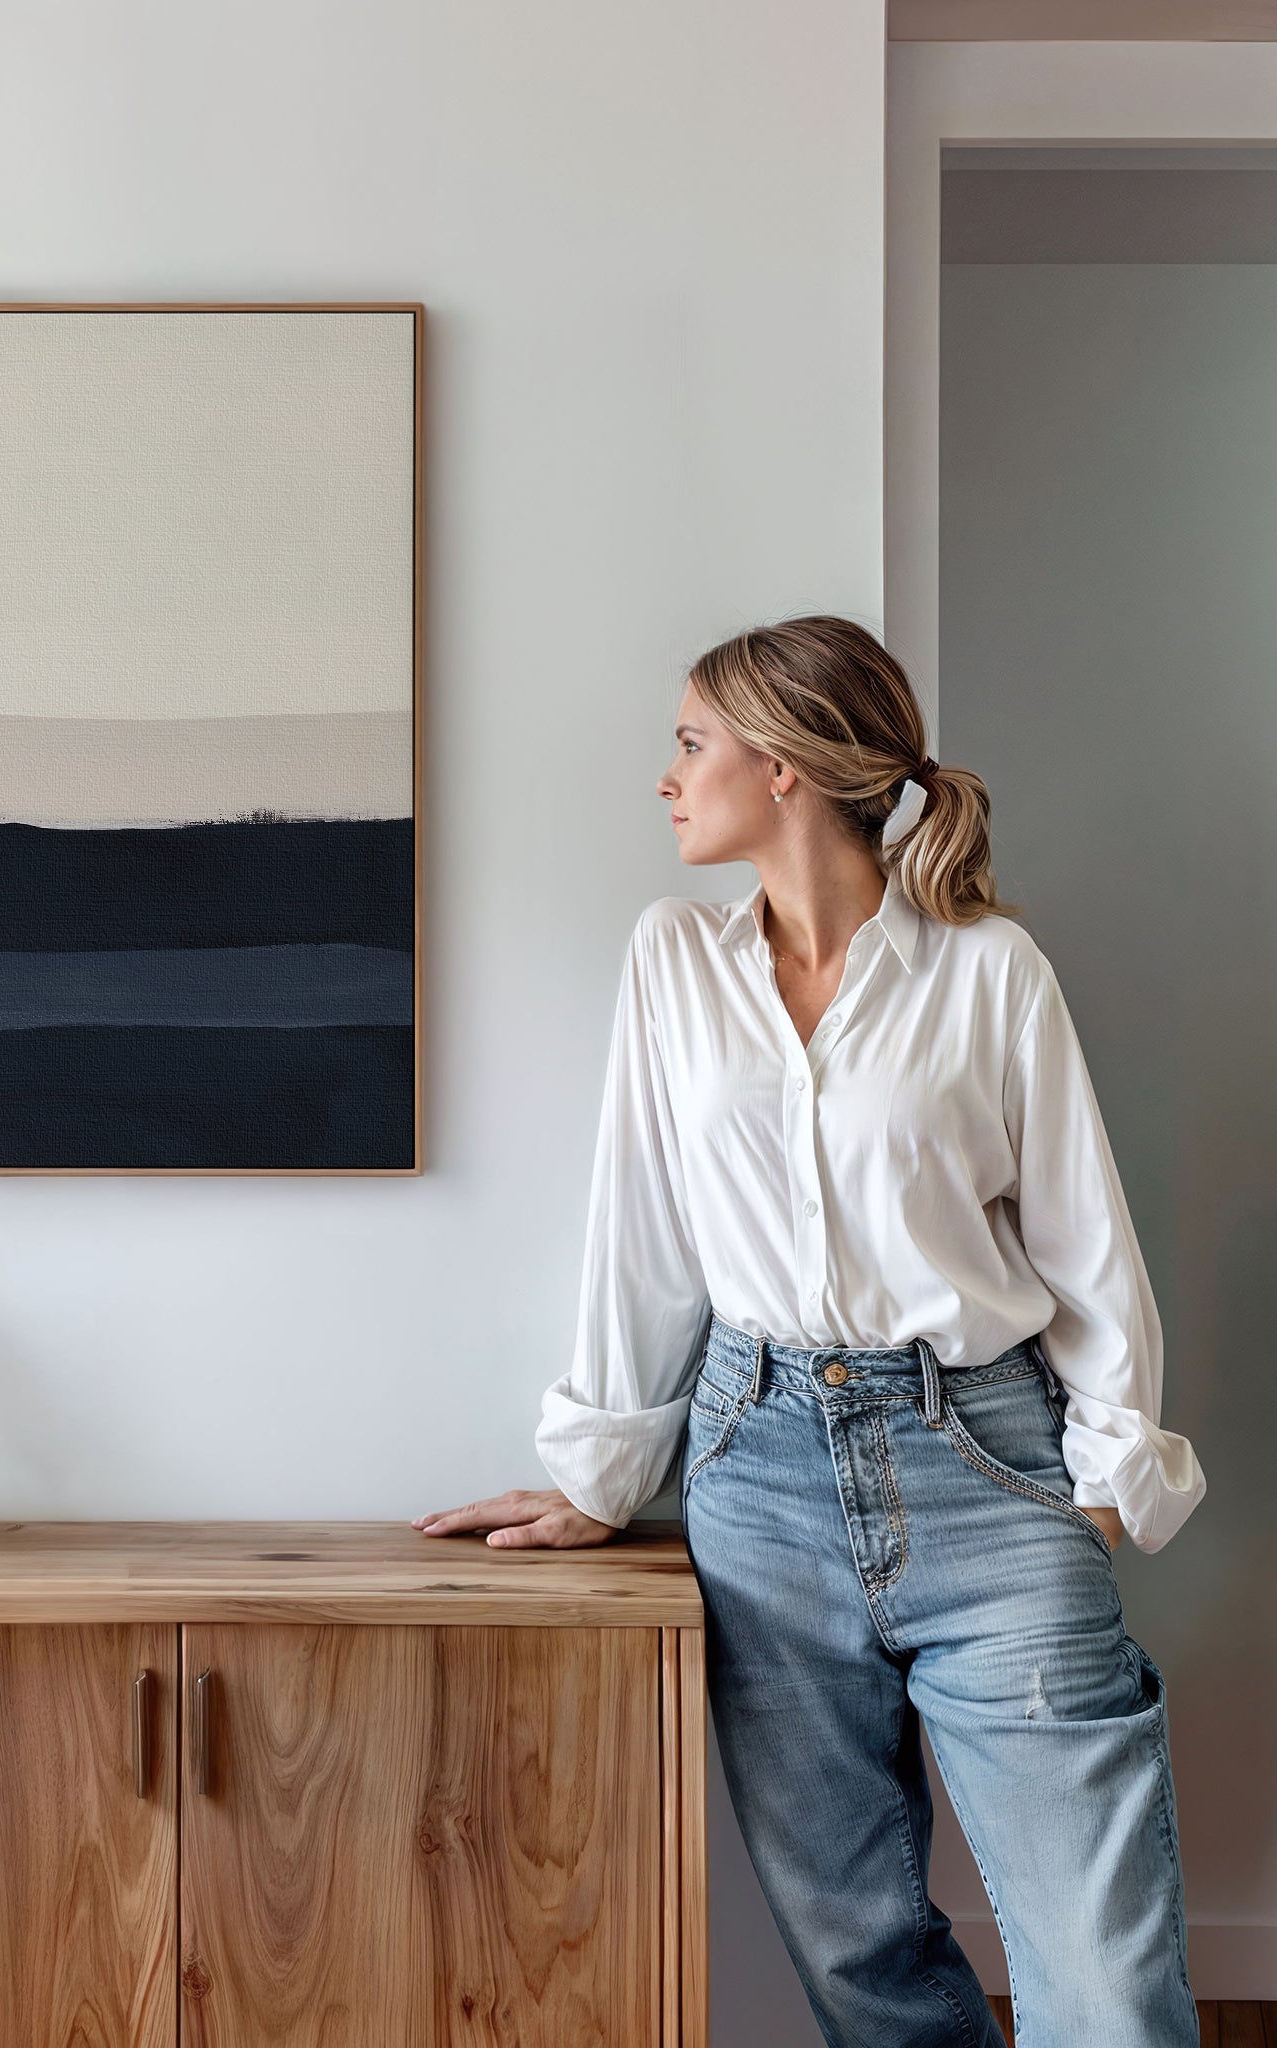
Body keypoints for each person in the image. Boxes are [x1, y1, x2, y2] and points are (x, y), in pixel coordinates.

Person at [413, 616, 1206, 2047]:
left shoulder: (989, 971)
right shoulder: (673, 961)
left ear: (783, 767)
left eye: (691, 743)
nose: (667, 778)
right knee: (859, 1957)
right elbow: (643, 1233)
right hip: (759, 1476)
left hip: (986, 1463)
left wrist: (1100, 1487)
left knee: (1103, 1977)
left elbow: (1086, 1242)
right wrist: (603, 1472)